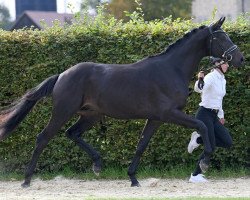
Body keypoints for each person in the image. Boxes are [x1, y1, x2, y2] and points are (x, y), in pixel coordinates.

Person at [188, 57, 233, 183]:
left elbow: (219, 99)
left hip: (214, 115)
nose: (227, 66)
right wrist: (200, 79)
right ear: (217, 64)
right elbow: (199, 89)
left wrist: (221, 115)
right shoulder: (210, 77)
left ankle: (198, 139)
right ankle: (195, 175)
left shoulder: (222, 79)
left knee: (227, 142)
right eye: (225, 63)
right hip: (204, 114)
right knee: (211, 146)